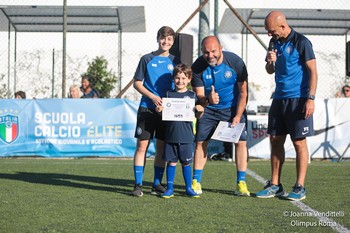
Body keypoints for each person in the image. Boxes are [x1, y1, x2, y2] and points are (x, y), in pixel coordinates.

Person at [255, 11, 318, 201]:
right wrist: (269, 62)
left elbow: (313, 72)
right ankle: (275, 184)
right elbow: (269, 70)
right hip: (279, 97)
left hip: (298, 99)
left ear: (282, 26)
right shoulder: (274, 42)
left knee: (299, 142)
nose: (269, 35)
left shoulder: (302, 42)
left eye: (271, 31)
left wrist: (311, 98)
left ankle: (300, 186)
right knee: (275, 139)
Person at [191, 35, 250, 196]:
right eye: (206, 52)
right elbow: (200, 97)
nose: (210, 55)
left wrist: (237, 116)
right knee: (200, 143)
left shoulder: (235, 62)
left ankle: (241, 183)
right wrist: (208, 100)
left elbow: (244, 93)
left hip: (232, 108)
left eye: (213, 51)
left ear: (221, 48)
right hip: (209, 110)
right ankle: (196, 182)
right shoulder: (197, 67)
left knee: (241, 142)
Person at [131, 26, 180, 197]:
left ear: (173, 42)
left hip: (167, 111)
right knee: (142, 146)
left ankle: (156, 184)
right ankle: (138, 184)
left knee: (162, 148)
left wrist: (169, 103)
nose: (166, 42)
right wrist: (152, 97)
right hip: (147, 108)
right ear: (158, 38)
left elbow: (181, 83)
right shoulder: (147, 59)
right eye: (163, 38)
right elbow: (137, 83)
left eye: (169, 39)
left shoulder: (176, 61)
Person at [155, 64, 204, 198]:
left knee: (186, 162)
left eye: (183, 78)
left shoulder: (192, 96)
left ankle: (188, 188)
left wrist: (200, 111)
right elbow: (163, 114)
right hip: (170, 136)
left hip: (187, 136)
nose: (180, 81)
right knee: (171, 162)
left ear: (189, 79)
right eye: (177, 78)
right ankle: (170, 188)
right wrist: (159, 111)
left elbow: (198, 115)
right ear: (173, 79)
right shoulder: (168, 94)